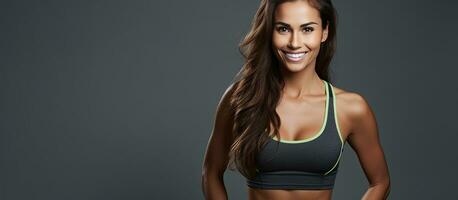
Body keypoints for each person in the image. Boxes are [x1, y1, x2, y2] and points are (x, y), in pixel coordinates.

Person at [201, 0, 390, 199]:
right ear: (269, 31)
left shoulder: (350, 108)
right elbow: (210, 172)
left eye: (307, 29)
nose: (294, 43)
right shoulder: (241, 97)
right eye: (283, 29)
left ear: (324, 32)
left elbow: (380, 182)